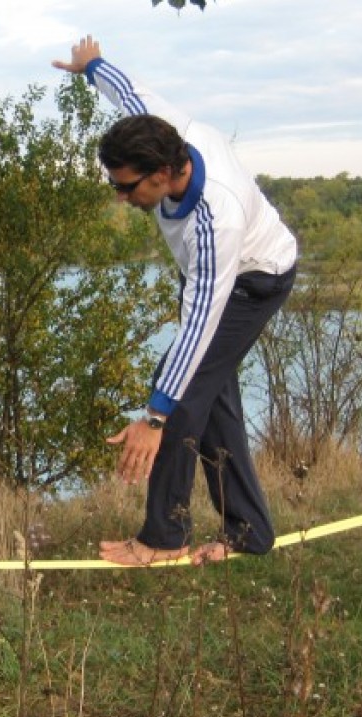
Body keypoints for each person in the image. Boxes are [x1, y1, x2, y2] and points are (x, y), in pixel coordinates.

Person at [53, 35, 298, 566]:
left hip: (254, 279)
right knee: (211, 399)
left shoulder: (215, 219)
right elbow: (129, 94)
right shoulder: (163, 135)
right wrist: (93, 66)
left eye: (126, 187)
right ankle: (249, 530)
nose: (120, 197)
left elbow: (200, 323)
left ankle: (163, 539)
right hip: (218, 279)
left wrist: (155, 416)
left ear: (163, 175)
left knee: (183, 389)